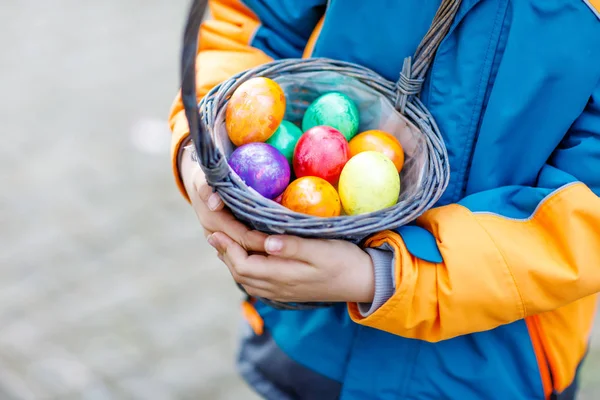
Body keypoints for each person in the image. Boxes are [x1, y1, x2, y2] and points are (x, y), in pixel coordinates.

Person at [168, 1, 600, 399]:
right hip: (314, 340)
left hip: (494, 364)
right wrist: (204, 148)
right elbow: (249, 19)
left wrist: (392, 276)